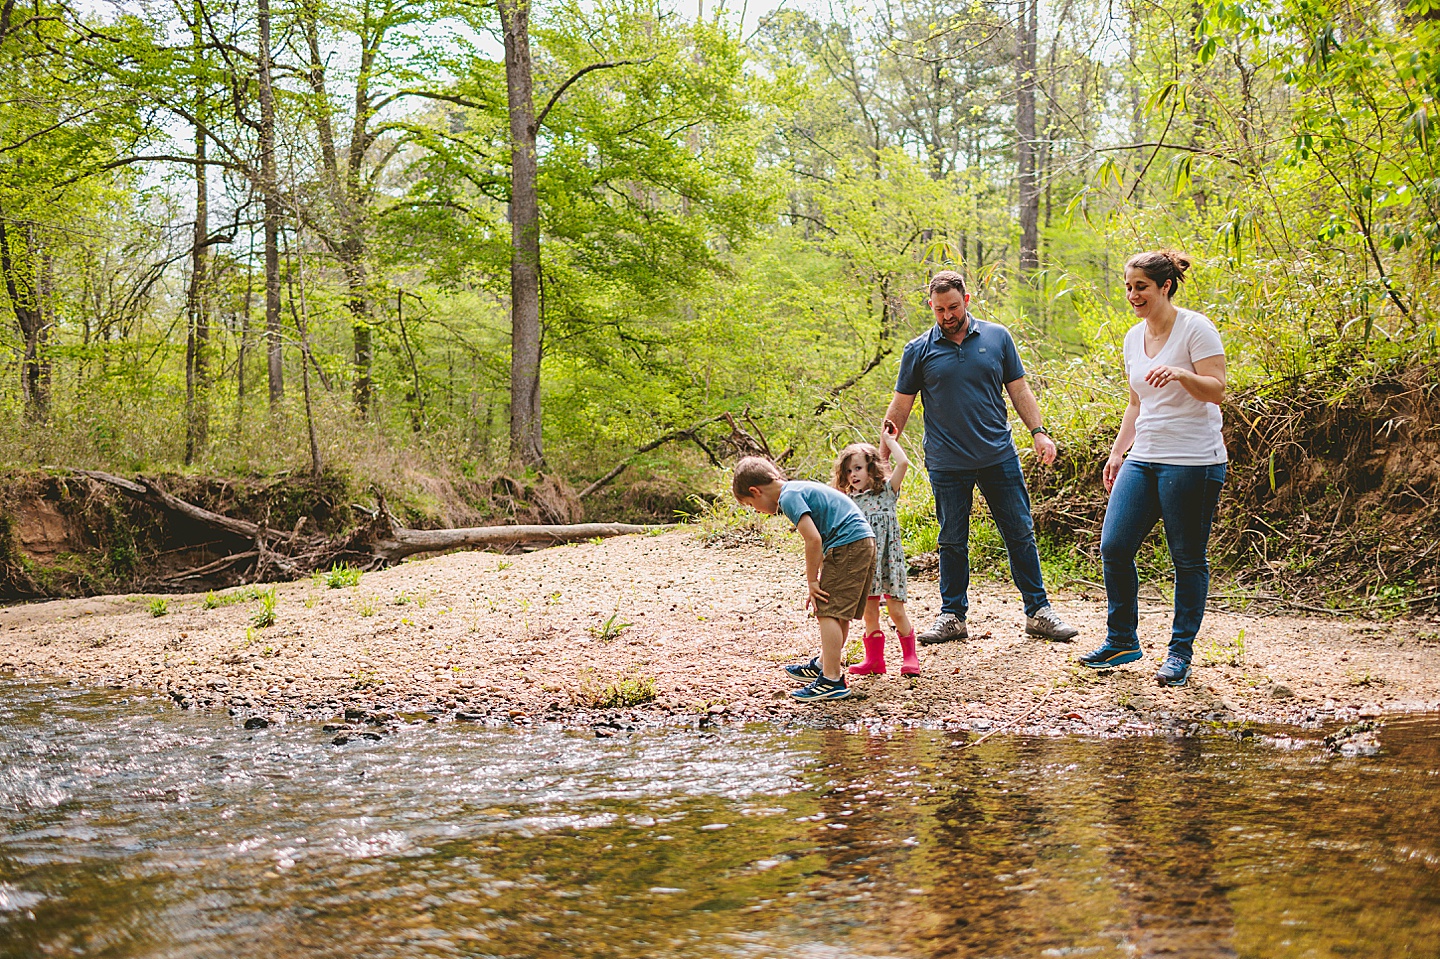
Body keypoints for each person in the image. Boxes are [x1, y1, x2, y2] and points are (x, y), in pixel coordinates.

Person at [883, 270, 1078, 645]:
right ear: (931, 307)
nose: (947, 315)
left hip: (998, 456)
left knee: (1020, 532)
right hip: (946, 461)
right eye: (939, 309)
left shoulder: (997, 337)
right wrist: (881, 458)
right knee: (952, 540)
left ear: (967, 300)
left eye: (953, 307)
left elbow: (1019, 389)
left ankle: (1038, 611)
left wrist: (1038, 432)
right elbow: (901, 406)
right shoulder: (918, 350)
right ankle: (952, 616)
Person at [1078, 251, 1227, 688]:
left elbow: (1216, 390)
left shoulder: (1196, 328)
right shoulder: (1132, 338)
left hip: (1193, 462)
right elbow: (1136, 402)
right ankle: (1122, 640)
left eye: (1140, 286)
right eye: (1128, 286)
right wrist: (1117, 451)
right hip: (1143, 457)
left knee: (1187, 558)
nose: (1132, 295)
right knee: (1115, 545)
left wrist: (1181, 373)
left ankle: (1179, 654)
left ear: (1164, 286)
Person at [733, 456, 876, 703]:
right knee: (837, 610)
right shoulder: (797, 488)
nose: (756, 510)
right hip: (861, 541)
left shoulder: (788, 497)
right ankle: (824, 664)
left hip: (849, 544)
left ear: (756, 491)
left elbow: (813, 540)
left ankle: (832, 679)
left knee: (827, 611)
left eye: (750, 504)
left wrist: (812, 582)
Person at [832, 426, 919, 677]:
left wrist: (889, 440)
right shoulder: (849, 500)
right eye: (848, 471)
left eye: (858, 468)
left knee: (896, 610)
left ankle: (910, 657)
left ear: (872, 468)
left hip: (889, 561)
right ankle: (874, 660)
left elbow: (903, 463)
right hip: (865, 563)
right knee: (869, 613)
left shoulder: (887, 493)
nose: (852, 475)